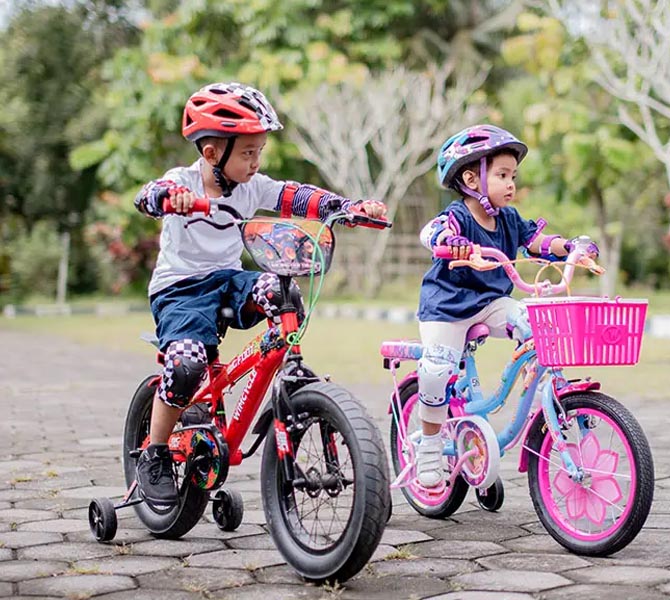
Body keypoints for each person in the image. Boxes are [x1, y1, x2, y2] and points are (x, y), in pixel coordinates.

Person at [133, 82, 386, 509]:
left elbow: (295, 195)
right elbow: (146, 196)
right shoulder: (183, 181)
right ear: (212, 153)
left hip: (230, 280)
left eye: (260, 151)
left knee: (281, 291)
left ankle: (287, 373)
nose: (256, 162)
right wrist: (167, 199)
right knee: (187, 364)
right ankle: (155, 451)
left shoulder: (253, 186)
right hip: (181, 291)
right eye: (248, 152)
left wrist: (346, 207)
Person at [414, 124, 597, 488]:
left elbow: (538, 241)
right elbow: (430, 233)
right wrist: (452, 243)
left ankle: (545, 388)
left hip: (492, 302)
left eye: (513, 175)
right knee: (436, 369)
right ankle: (430, 447)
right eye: (501, 175)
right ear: (472, 178)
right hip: (447, 306)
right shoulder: (458, 217)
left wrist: (572, 247)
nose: (511, 183)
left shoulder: (509, 220)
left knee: (535, 322)